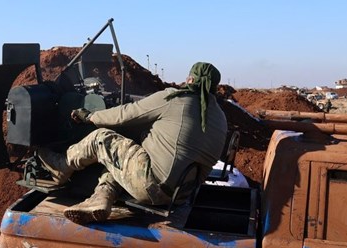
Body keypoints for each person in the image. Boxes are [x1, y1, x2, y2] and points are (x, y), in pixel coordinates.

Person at [36, 61, 228, 224]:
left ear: (190, 80)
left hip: (150, 185)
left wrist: (90, 116)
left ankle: (62, 166)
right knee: (124, 157)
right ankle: (100, 198)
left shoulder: (174, 99)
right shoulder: (220, 119)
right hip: (179, 196)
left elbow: (125, 114)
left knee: (102, 139)